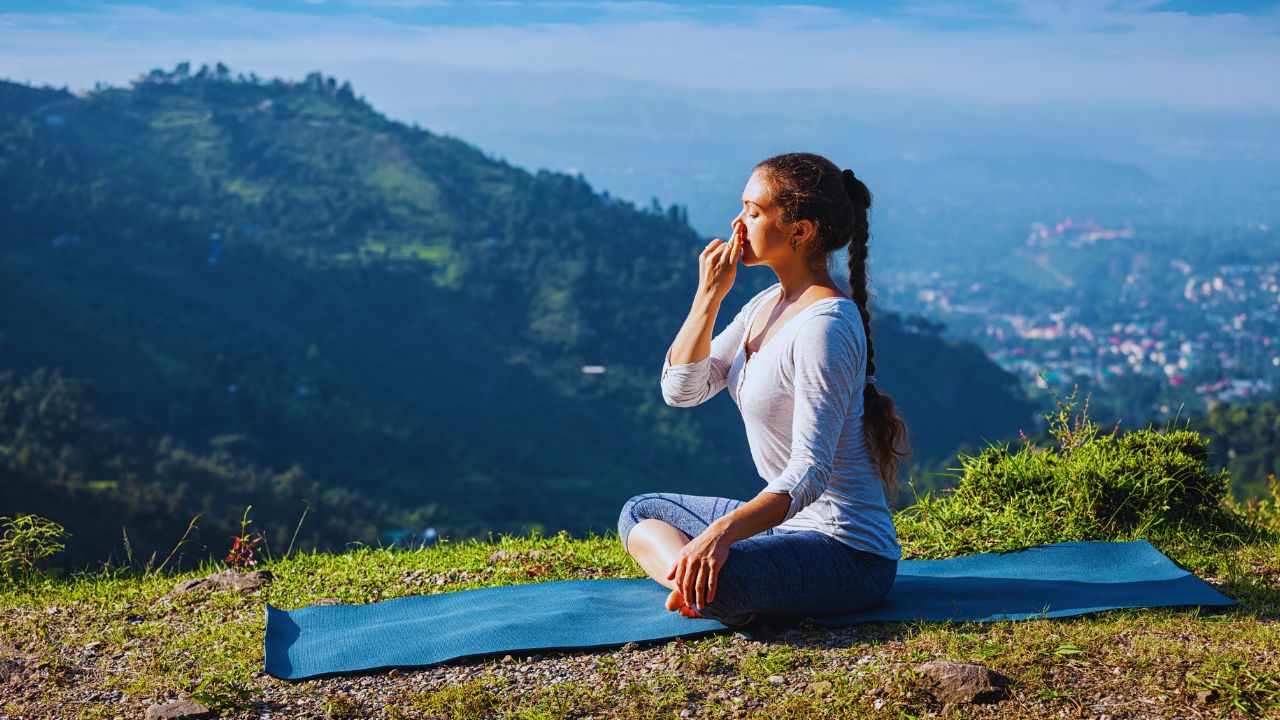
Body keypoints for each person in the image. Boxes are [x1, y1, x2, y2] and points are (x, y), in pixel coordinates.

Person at [617, 152, 911, 628]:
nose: (738, 223)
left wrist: (721, 534)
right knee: (642, 512)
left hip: (848, 554)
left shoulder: (825, 327)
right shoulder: (765, 304)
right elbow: (682, 390)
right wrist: (708, 297)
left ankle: (712, 589)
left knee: (722, 571)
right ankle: (700, 588)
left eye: (754, 212)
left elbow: (809, 473)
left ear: (800, 232)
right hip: (788, 529)